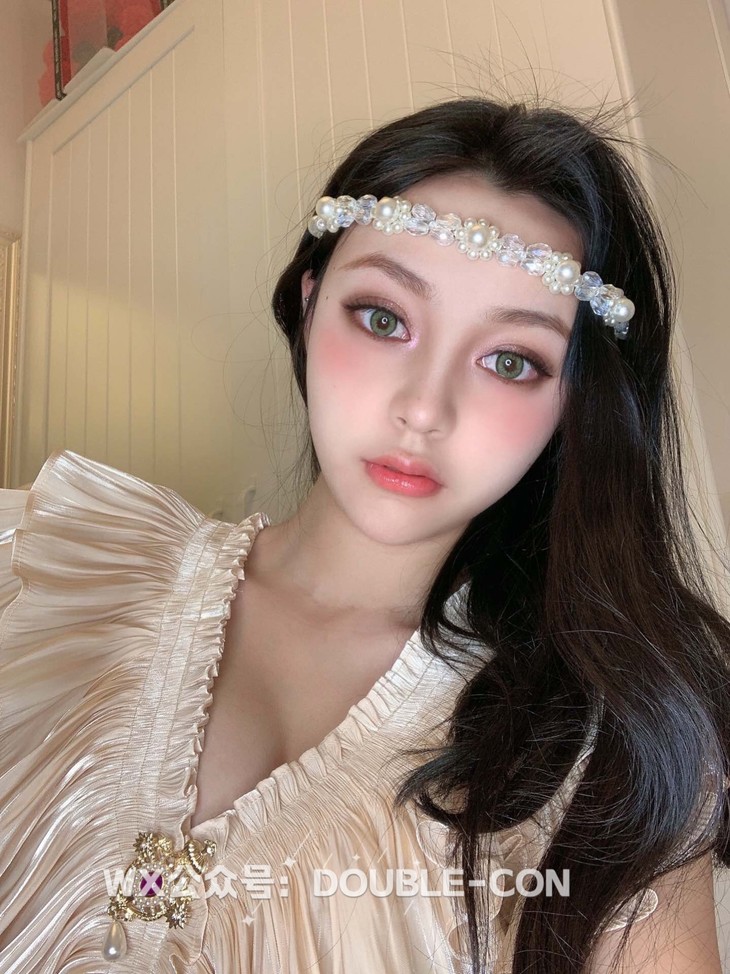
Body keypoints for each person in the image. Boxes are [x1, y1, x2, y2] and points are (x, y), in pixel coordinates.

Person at [0, 96, 728, 974]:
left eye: (510, 361)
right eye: (384, 318)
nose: (424, 407)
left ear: (571, 406)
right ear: (311, 306)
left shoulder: (608, 762)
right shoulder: (39, 562)